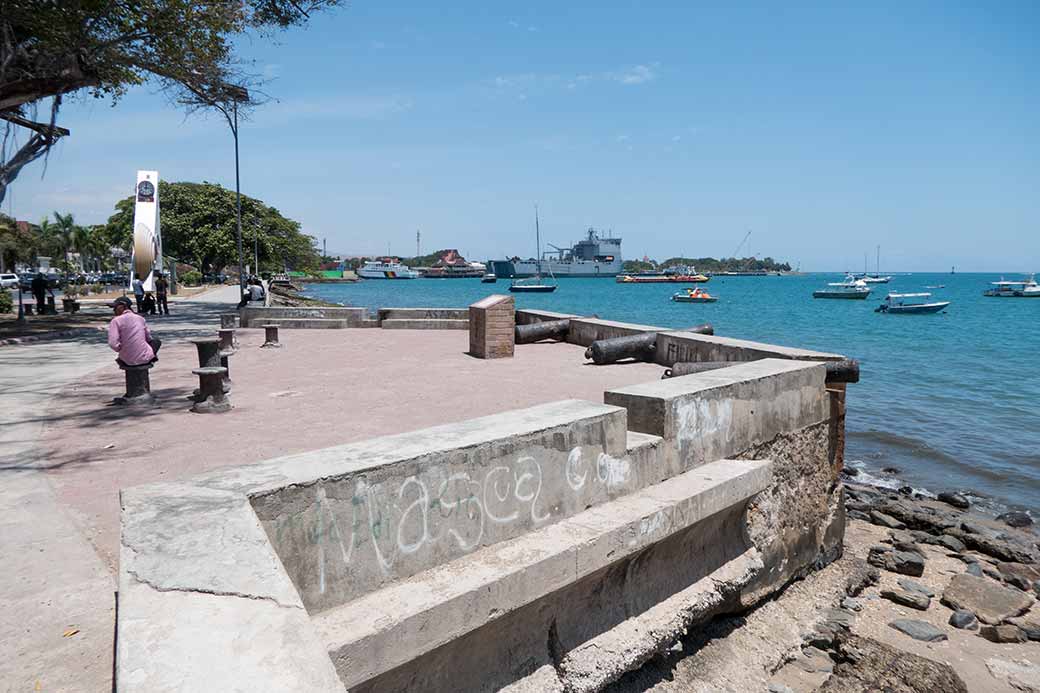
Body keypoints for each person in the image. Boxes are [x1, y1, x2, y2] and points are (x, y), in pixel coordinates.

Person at [107, 296, 157, 367]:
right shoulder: (140, 318)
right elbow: (148, 338)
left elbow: (113, 344)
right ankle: (150, 358)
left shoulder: (116, 321)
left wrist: (122, 349)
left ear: (122, 307)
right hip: (145, 358)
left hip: (126, 359)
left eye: (115, 308)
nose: (114, 310)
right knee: (156, 342)